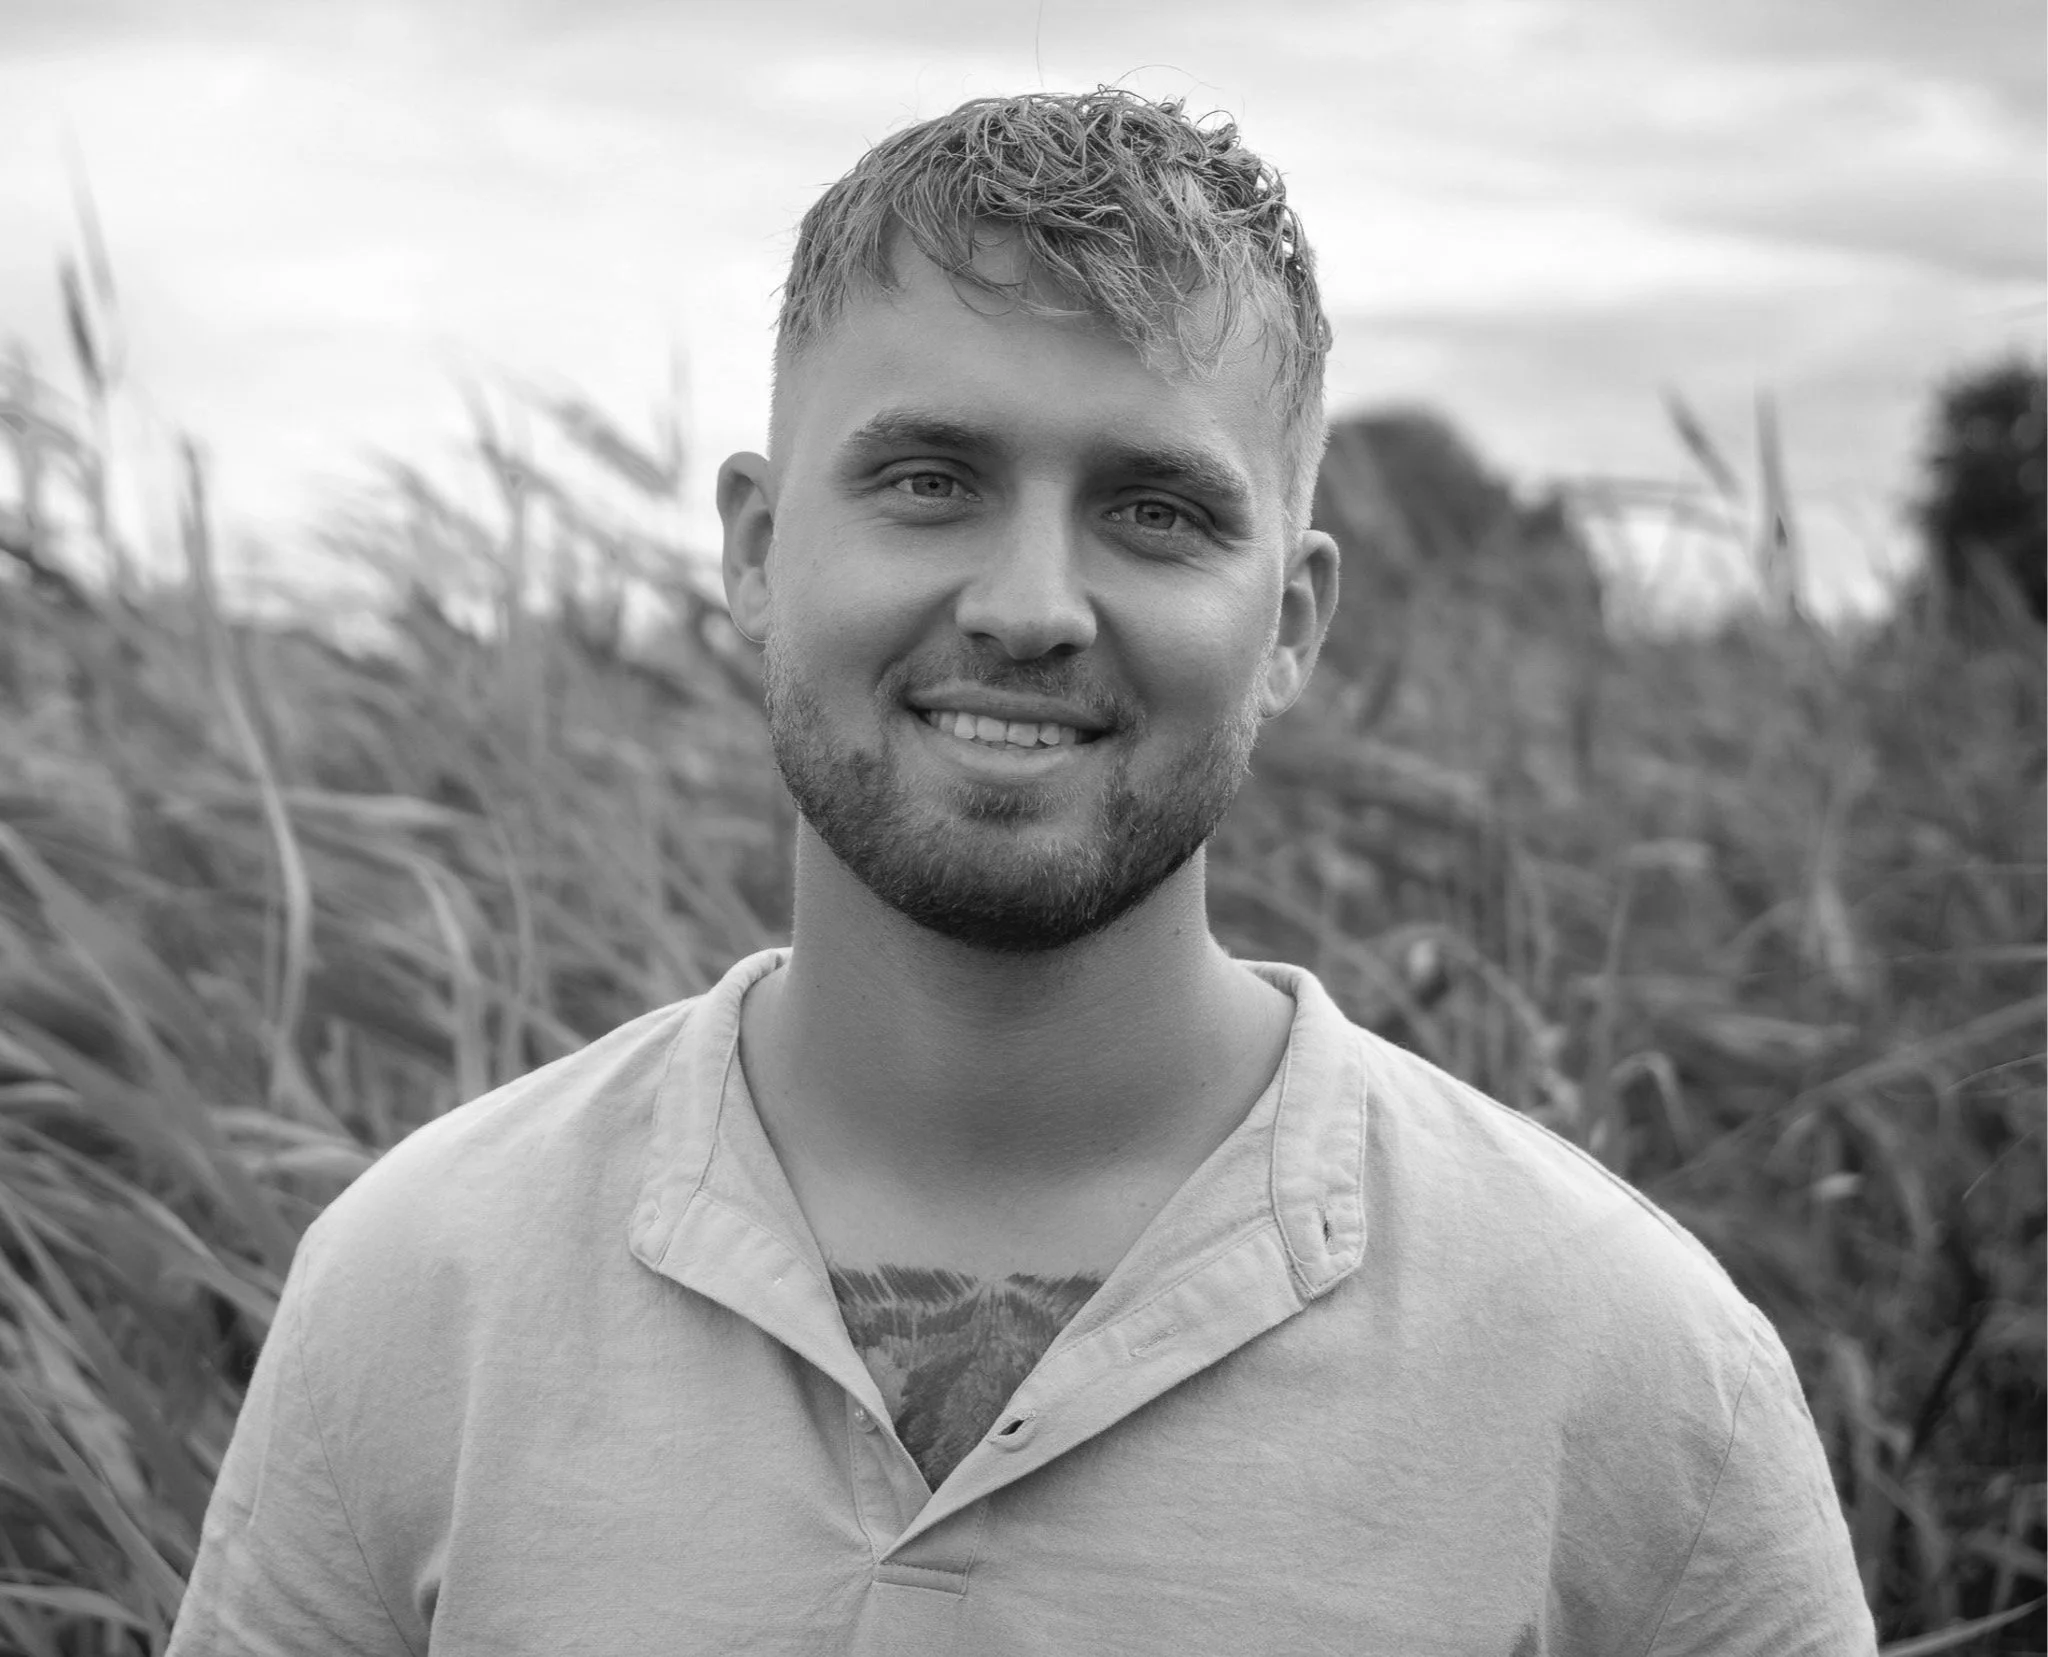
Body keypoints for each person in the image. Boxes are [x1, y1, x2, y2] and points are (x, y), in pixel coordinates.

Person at [168, 90, 1876, 1654]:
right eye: (929, 481)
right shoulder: (417, 1288)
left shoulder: (1636, 1372)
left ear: (1290, 621)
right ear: (758, 552)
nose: (1028, 605)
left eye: (1156, 512)